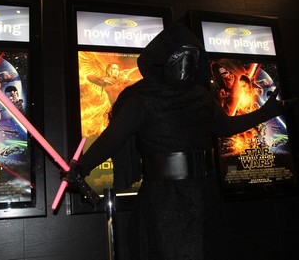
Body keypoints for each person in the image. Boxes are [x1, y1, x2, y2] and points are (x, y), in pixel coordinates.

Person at [63, 22, 293, 260]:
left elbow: (226, 127)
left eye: (192, 55)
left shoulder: (200, 96)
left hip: (205, 193)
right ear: (165, 56)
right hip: (166, 198)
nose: (186, 62)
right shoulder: (142, 97)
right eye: (180, 54)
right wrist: (82, 165)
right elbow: (112, 138)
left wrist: (267, 112)